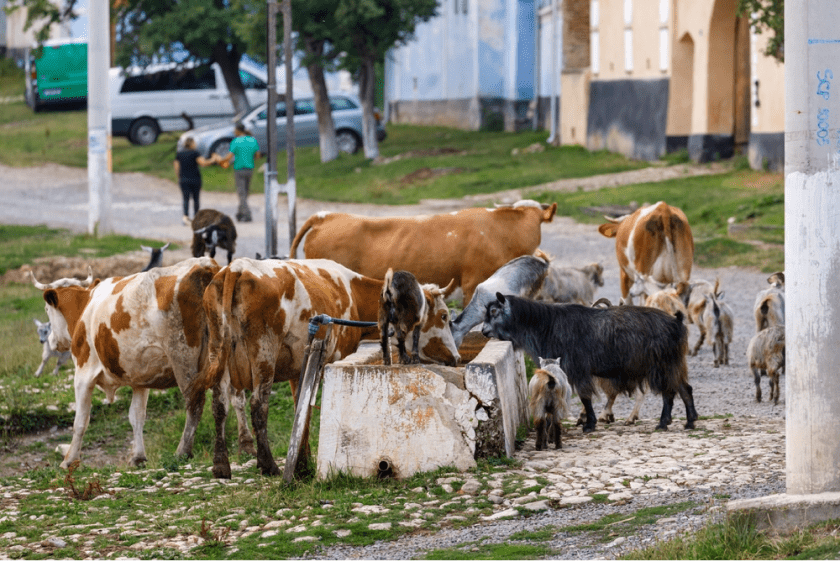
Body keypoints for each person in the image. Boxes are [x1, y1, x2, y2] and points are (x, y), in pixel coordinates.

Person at [220, 123, 262, 222]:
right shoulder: (252, 140)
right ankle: (240, 213)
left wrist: (221, 161)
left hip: (239, 169)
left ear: (239, 131)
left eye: (235, 130)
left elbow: (229, 157)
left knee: (241, 193)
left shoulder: (236, 141)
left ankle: (247, 214)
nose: (234, 132)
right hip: (249, 169)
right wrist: (251, 159)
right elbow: (258, 155)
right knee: (245, 192)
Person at [174, 137, 217, 225]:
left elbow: (176, 167)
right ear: (192, 144)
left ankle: (185, 218)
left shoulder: (179, 154)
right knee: (196, 199)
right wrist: (213, 159)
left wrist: (180, 177)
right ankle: (197, 218)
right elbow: (203, 163)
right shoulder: (195, 153)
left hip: (184, 179)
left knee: (185, 199)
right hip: (195, 179)